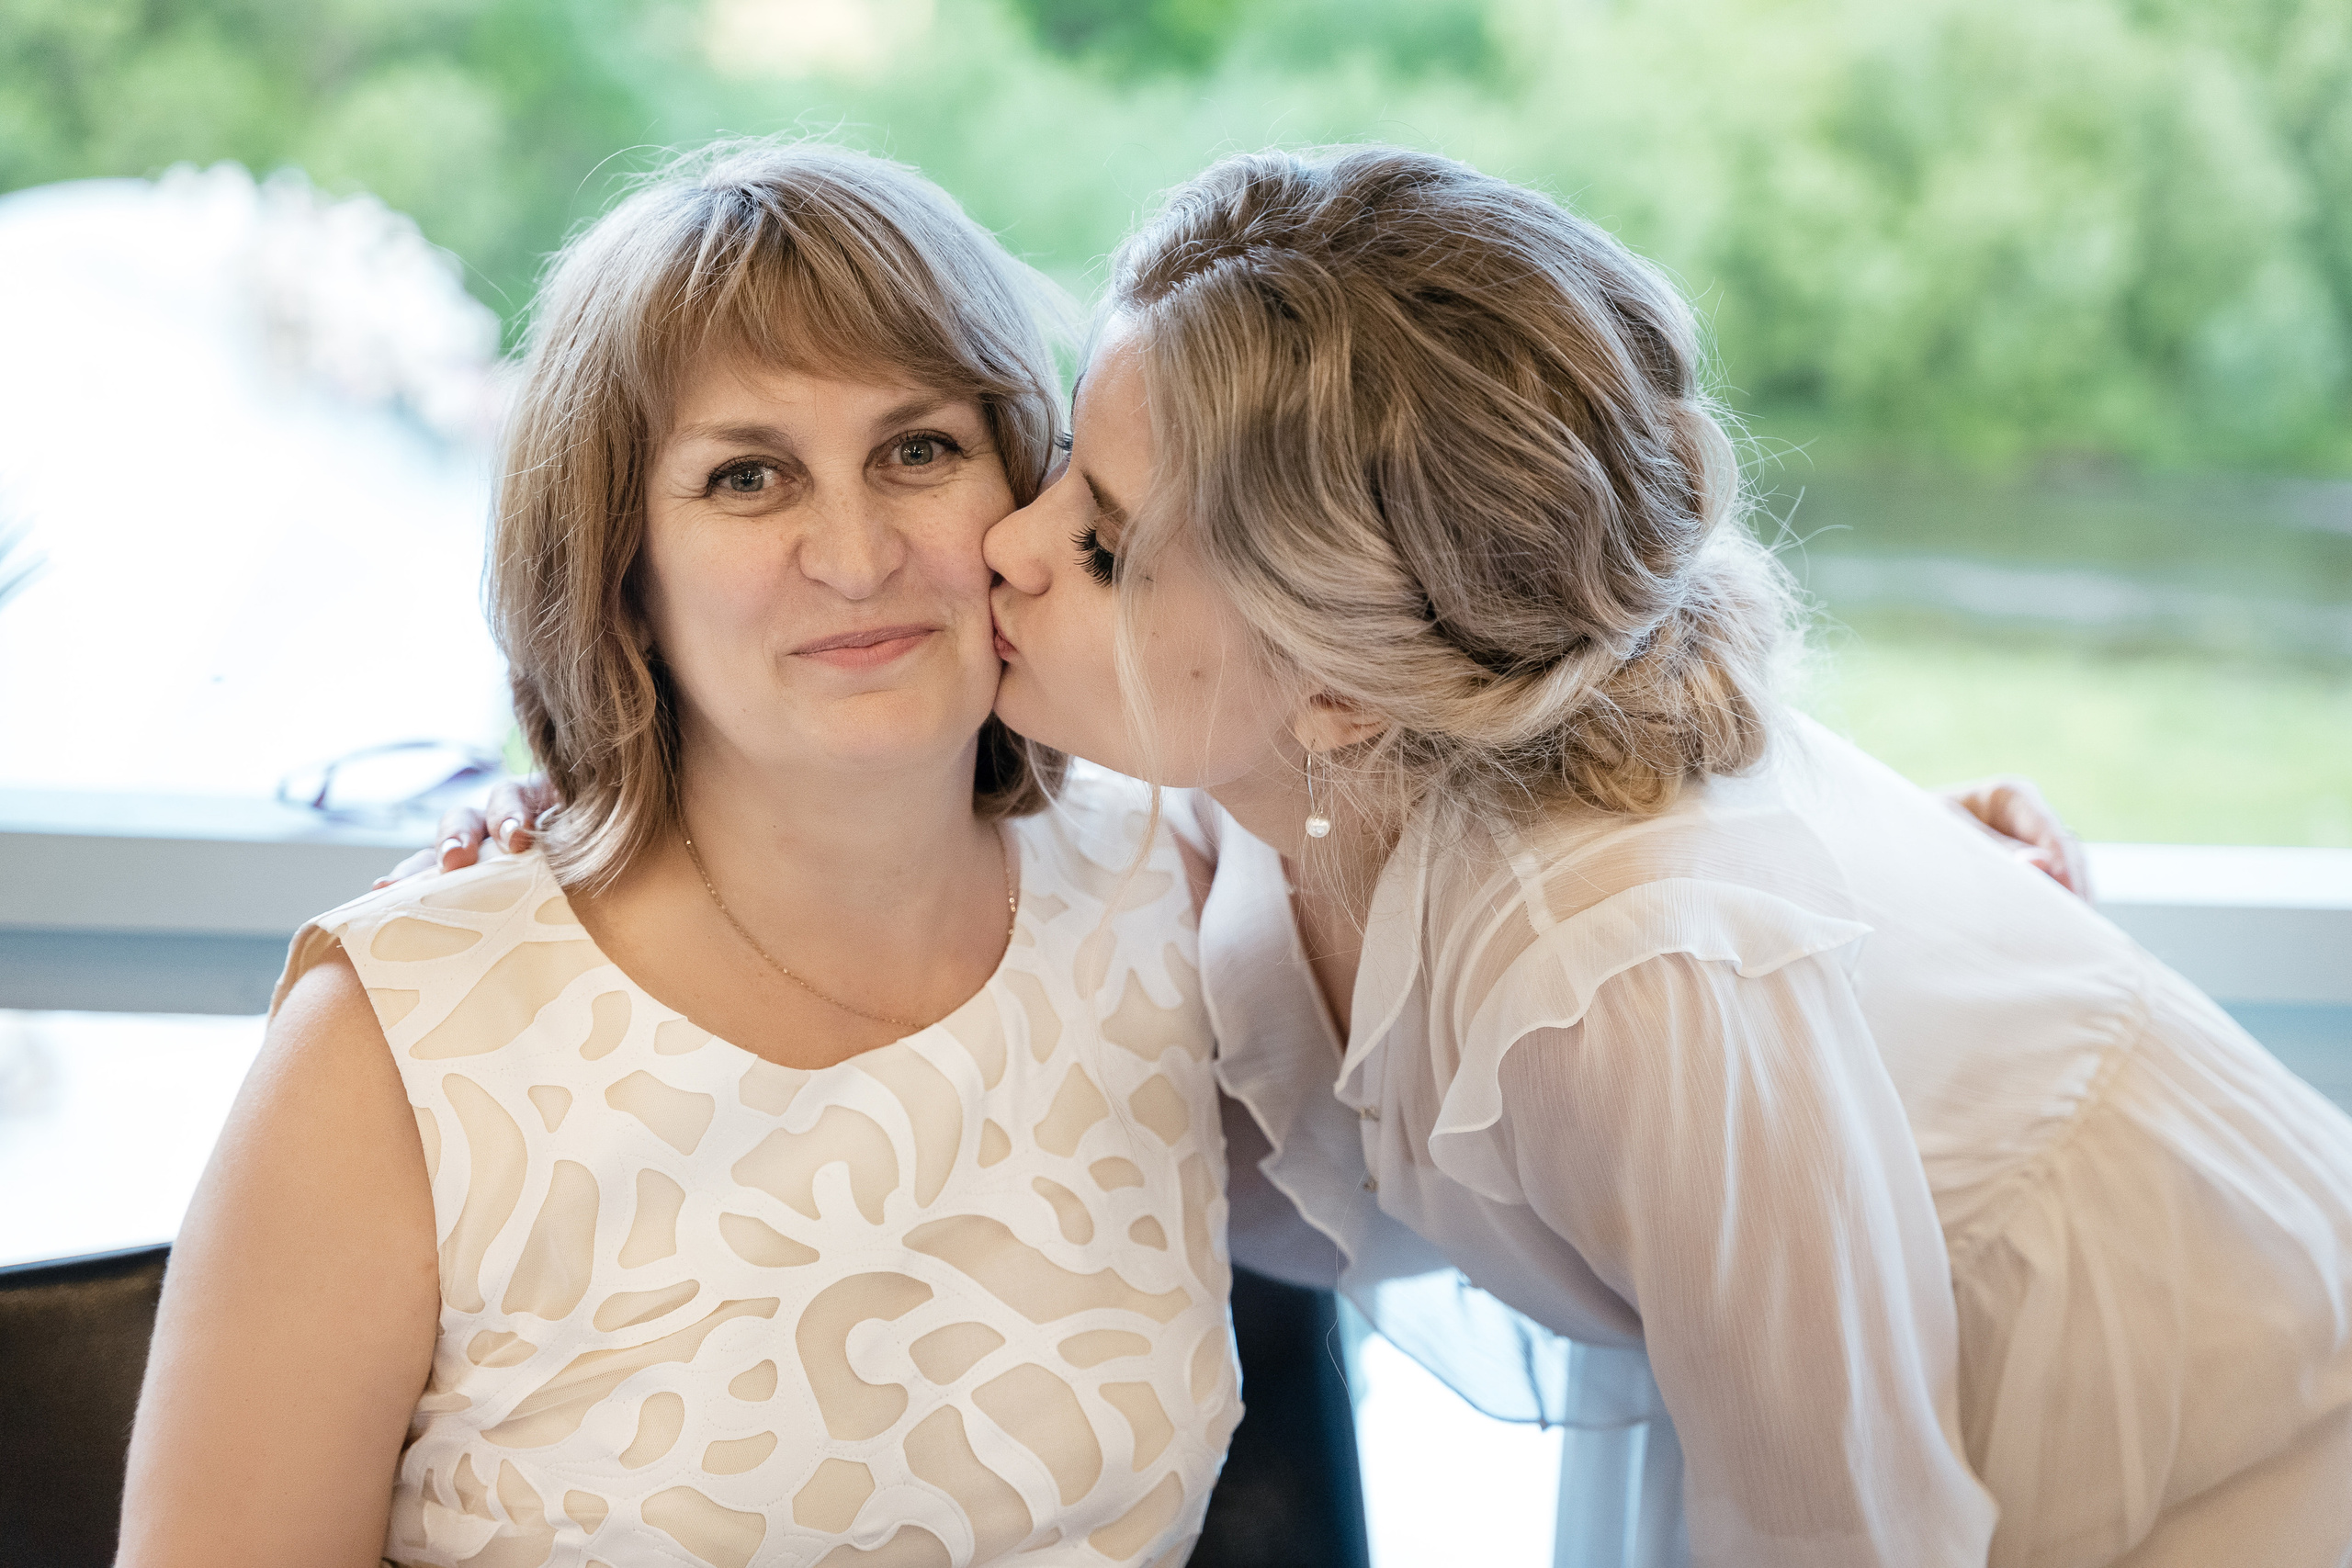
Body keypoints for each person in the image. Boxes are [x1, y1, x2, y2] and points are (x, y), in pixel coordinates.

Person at [967, 148, 2352, 1567]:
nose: (1006, 541)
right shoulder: (1302, 767)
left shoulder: (1628, 976)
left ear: (1340, 685)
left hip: (2189, 1391)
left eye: (1109, 549)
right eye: (1070, 463)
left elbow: (1840, 1529)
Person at [119, 141, 1237, 1568]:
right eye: (749, 477)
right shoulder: (400, 1044)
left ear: (1025, 489)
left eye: (918, 449)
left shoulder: (1163, 891)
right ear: (621, 569)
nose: (856, 553)